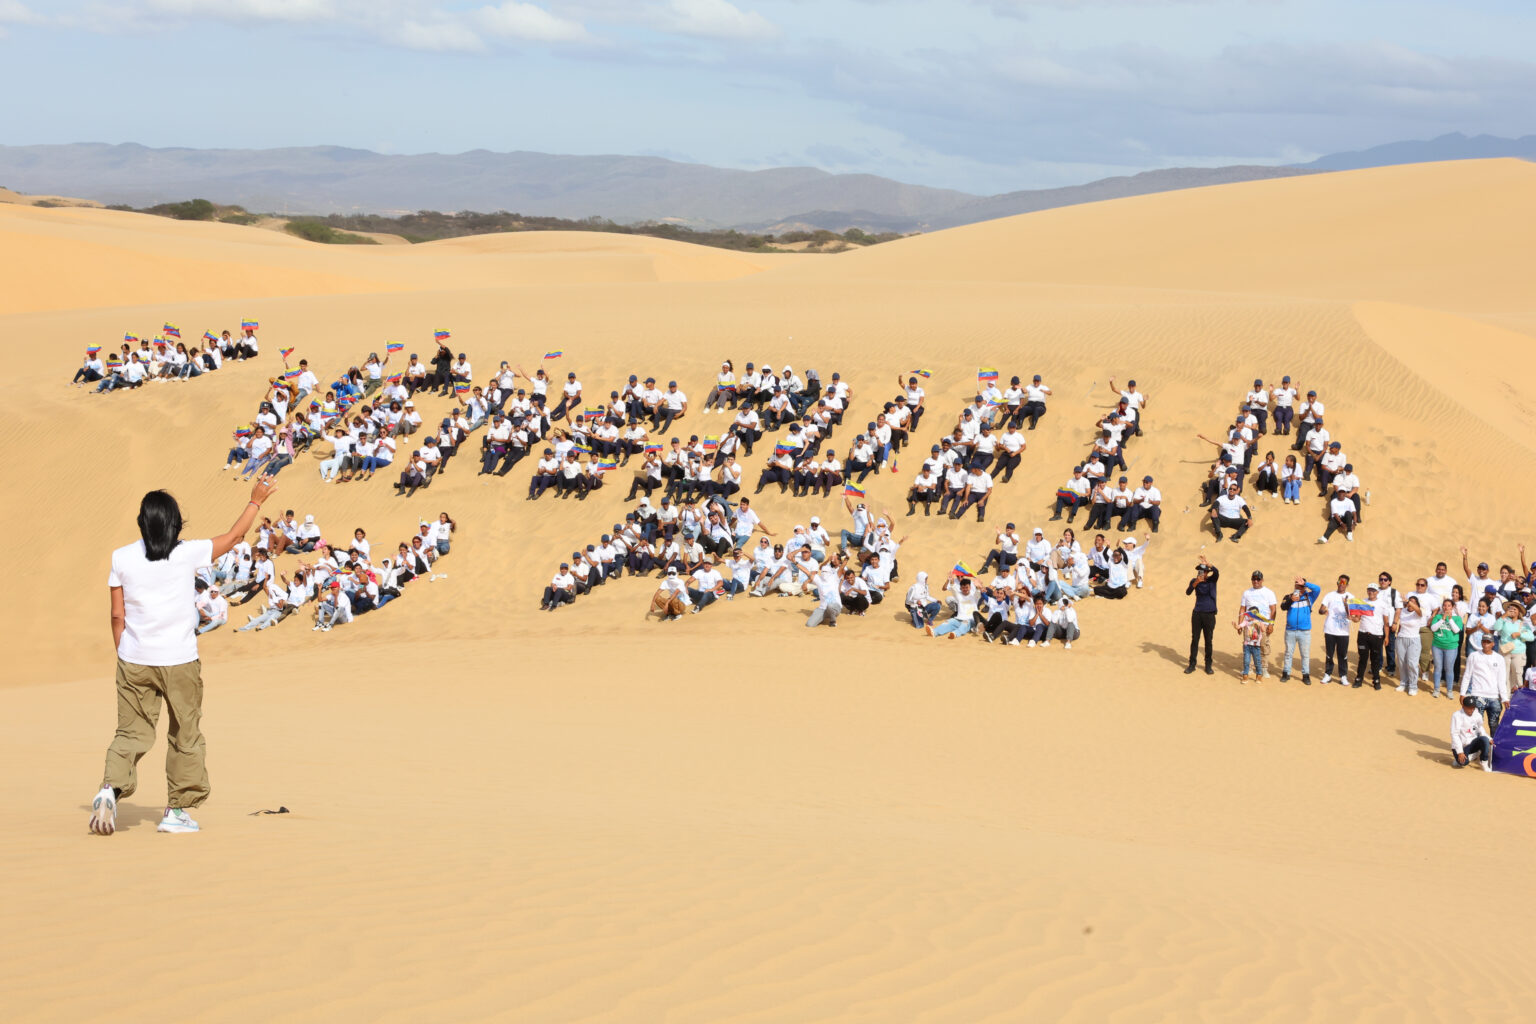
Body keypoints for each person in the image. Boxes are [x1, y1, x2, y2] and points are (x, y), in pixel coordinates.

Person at [88, 476, 279, 837]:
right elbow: (235, 537)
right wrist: (255, 501)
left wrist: (127, 654)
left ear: (143, 523)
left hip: (134, 659)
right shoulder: (186, 552)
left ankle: (109, 789)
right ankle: (176, 811)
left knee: (131, 732)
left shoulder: (121, 557)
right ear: (175, 522)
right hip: (179, 659)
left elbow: (116, 616)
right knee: (185, 733)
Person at [1459, 632, 1509, 732]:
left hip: (1494, 697)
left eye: (1488, 642)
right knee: (1476, 726)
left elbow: (1501, 680)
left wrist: (1504, 698)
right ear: (1481, 643)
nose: (1486, 644)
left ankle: (1493, 743)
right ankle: (1478, 742)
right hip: (1477, 696)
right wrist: (1462, 693)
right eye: (1484, 642)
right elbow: (1467, 676)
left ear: (1493, 644)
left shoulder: (1499, 658)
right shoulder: (1473, 656)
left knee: (1494, 726)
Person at [1280, 575, 1320, 683]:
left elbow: (1318, 589)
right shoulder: (1288, 596)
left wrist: (1305, 583)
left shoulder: (1310, 597)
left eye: (1300, 586)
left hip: (1304, 632)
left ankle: (1306, 675)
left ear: (1304, 587)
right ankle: (1286, 673)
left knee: (1305, 655)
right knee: (1288, 653)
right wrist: (1291, 600)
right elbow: (1283, 607)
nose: (1297, 588)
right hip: (1290, 631)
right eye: (1296, 586)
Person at [1353, 582, 1391, 688]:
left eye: (1373, 590)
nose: (1371, 592)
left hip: (1377, 635)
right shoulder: (1362, 602)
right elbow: (1357, 618)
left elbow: (1386, 622)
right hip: (1363, 634)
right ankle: (1359, 679)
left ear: (1377, 592)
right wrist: (1351, 617)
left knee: (1375, 659)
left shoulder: (1383, 604)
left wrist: (1387, 637)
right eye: (1369, 590)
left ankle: (1376, 680)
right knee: (1362, 658)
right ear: (1367, 591)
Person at [1318, 574, 1354, 684]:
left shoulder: (1351, 597)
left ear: (1347, 585)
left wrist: (1346, 605)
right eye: (1340, 582)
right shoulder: (1329, 595)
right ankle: (1327, 674)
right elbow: (1320, 610)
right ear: (1337, 582)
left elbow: (1352, 615)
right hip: (1330, 630)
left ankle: (1343, 676)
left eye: (1344, 583)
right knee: (1329, 654)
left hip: (1343, 631)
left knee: (1342, 655)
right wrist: (1323, 611)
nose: (1341, 584)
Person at [1185, 554, 1218, 675]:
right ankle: (1192, 664)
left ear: (1207, 573)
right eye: (1200, 571)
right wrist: (1196, 583)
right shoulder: (1194, 581)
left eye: (1204, 571)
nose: (1202, 573)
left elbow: (1217, 572)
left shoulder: (1212, 581)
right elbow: (1188, 592)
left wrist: (1208, 564)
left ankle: (1208, 665)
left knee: (1208, 640)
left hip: (1209, 614)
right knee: (1195, 639)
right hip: (1197, 613)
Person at [1428, 598, 1465, 698]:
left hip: (1451, 647)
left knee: (1449, 668)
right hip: (1437, 646)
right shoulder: (1438, 617)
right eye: (1444, 605)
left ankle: (1449, 690)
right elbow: (1433, 628)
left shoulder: (1457, 619)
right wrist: (1443, 619)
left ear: (1452, 607)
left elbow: (1457, 630)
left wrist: (1450, 619)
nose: (1446, 607)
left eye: (1449, 605)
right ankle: (1436, 689)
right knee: (1438, 667)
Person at [1394, 595, 1429, 695]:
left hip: (1414, 640)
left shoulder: (1418, 613)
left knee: (1412, 663)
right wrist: (1395, 624)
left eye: (1413, 602)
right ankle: (1403, 683)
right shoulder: (1403, 611)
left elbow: (1418, 610)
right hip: (1401, 639)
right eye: (1410, 602)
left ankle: (1413, 686)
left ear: (1417, 604)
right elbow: (1399, 622)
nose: (1411, 604)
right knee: (1401, 662)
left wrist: (1408, 602)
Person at [1451, 694, 1495, 771]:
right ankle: (1474, 755)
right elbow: (1455, 734)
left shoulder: (1477, 715)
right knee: (1463, 763)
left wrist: (1489, 738)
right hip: (1462, 746)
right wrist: (1460, 752)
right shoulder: (1456, 715)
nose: (1471, 710)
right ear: (1463, 706)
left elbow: (1480, 727)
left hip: (1472, 743)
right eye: (1469, 708)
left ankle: (1483, 762)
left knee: (1484, 739)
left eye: (1473, 708)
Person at [1236, 611, 1265, 683]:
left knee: (1257, 661)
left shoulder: (1259, 622)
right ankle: (1245, 676)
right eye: (1249, 615)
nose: (1249, 616)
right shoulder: (1246, 622)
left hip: (1256, 646)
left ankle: (1259, 675)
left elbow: (1263, 630)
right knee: (1246, 661)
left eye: (1251, 615)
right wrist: (1236, 626)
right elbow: (1239, 626)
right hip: (1247, 645)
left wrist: (1260, 624)